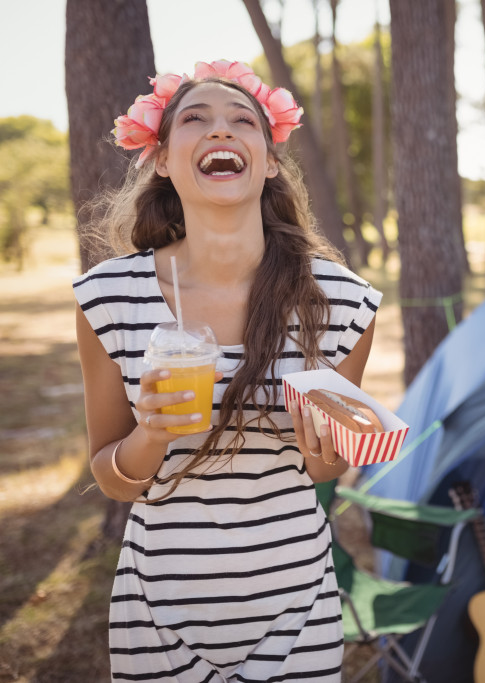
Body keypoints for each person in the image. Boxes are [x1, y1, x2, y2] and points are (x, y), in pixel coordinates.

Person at [73, 60, 381, 681]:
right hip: (157, 609)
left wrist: (326, 441)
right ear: (161, 158)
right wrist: (152, 435)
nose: (221, 131)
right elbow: (113, 478)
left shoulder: (343, 301)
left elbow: (325, 471)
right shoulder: (108, 297)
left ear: (268, 162)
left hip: (295, 612)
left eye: (243, 121)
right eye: (196, 119)